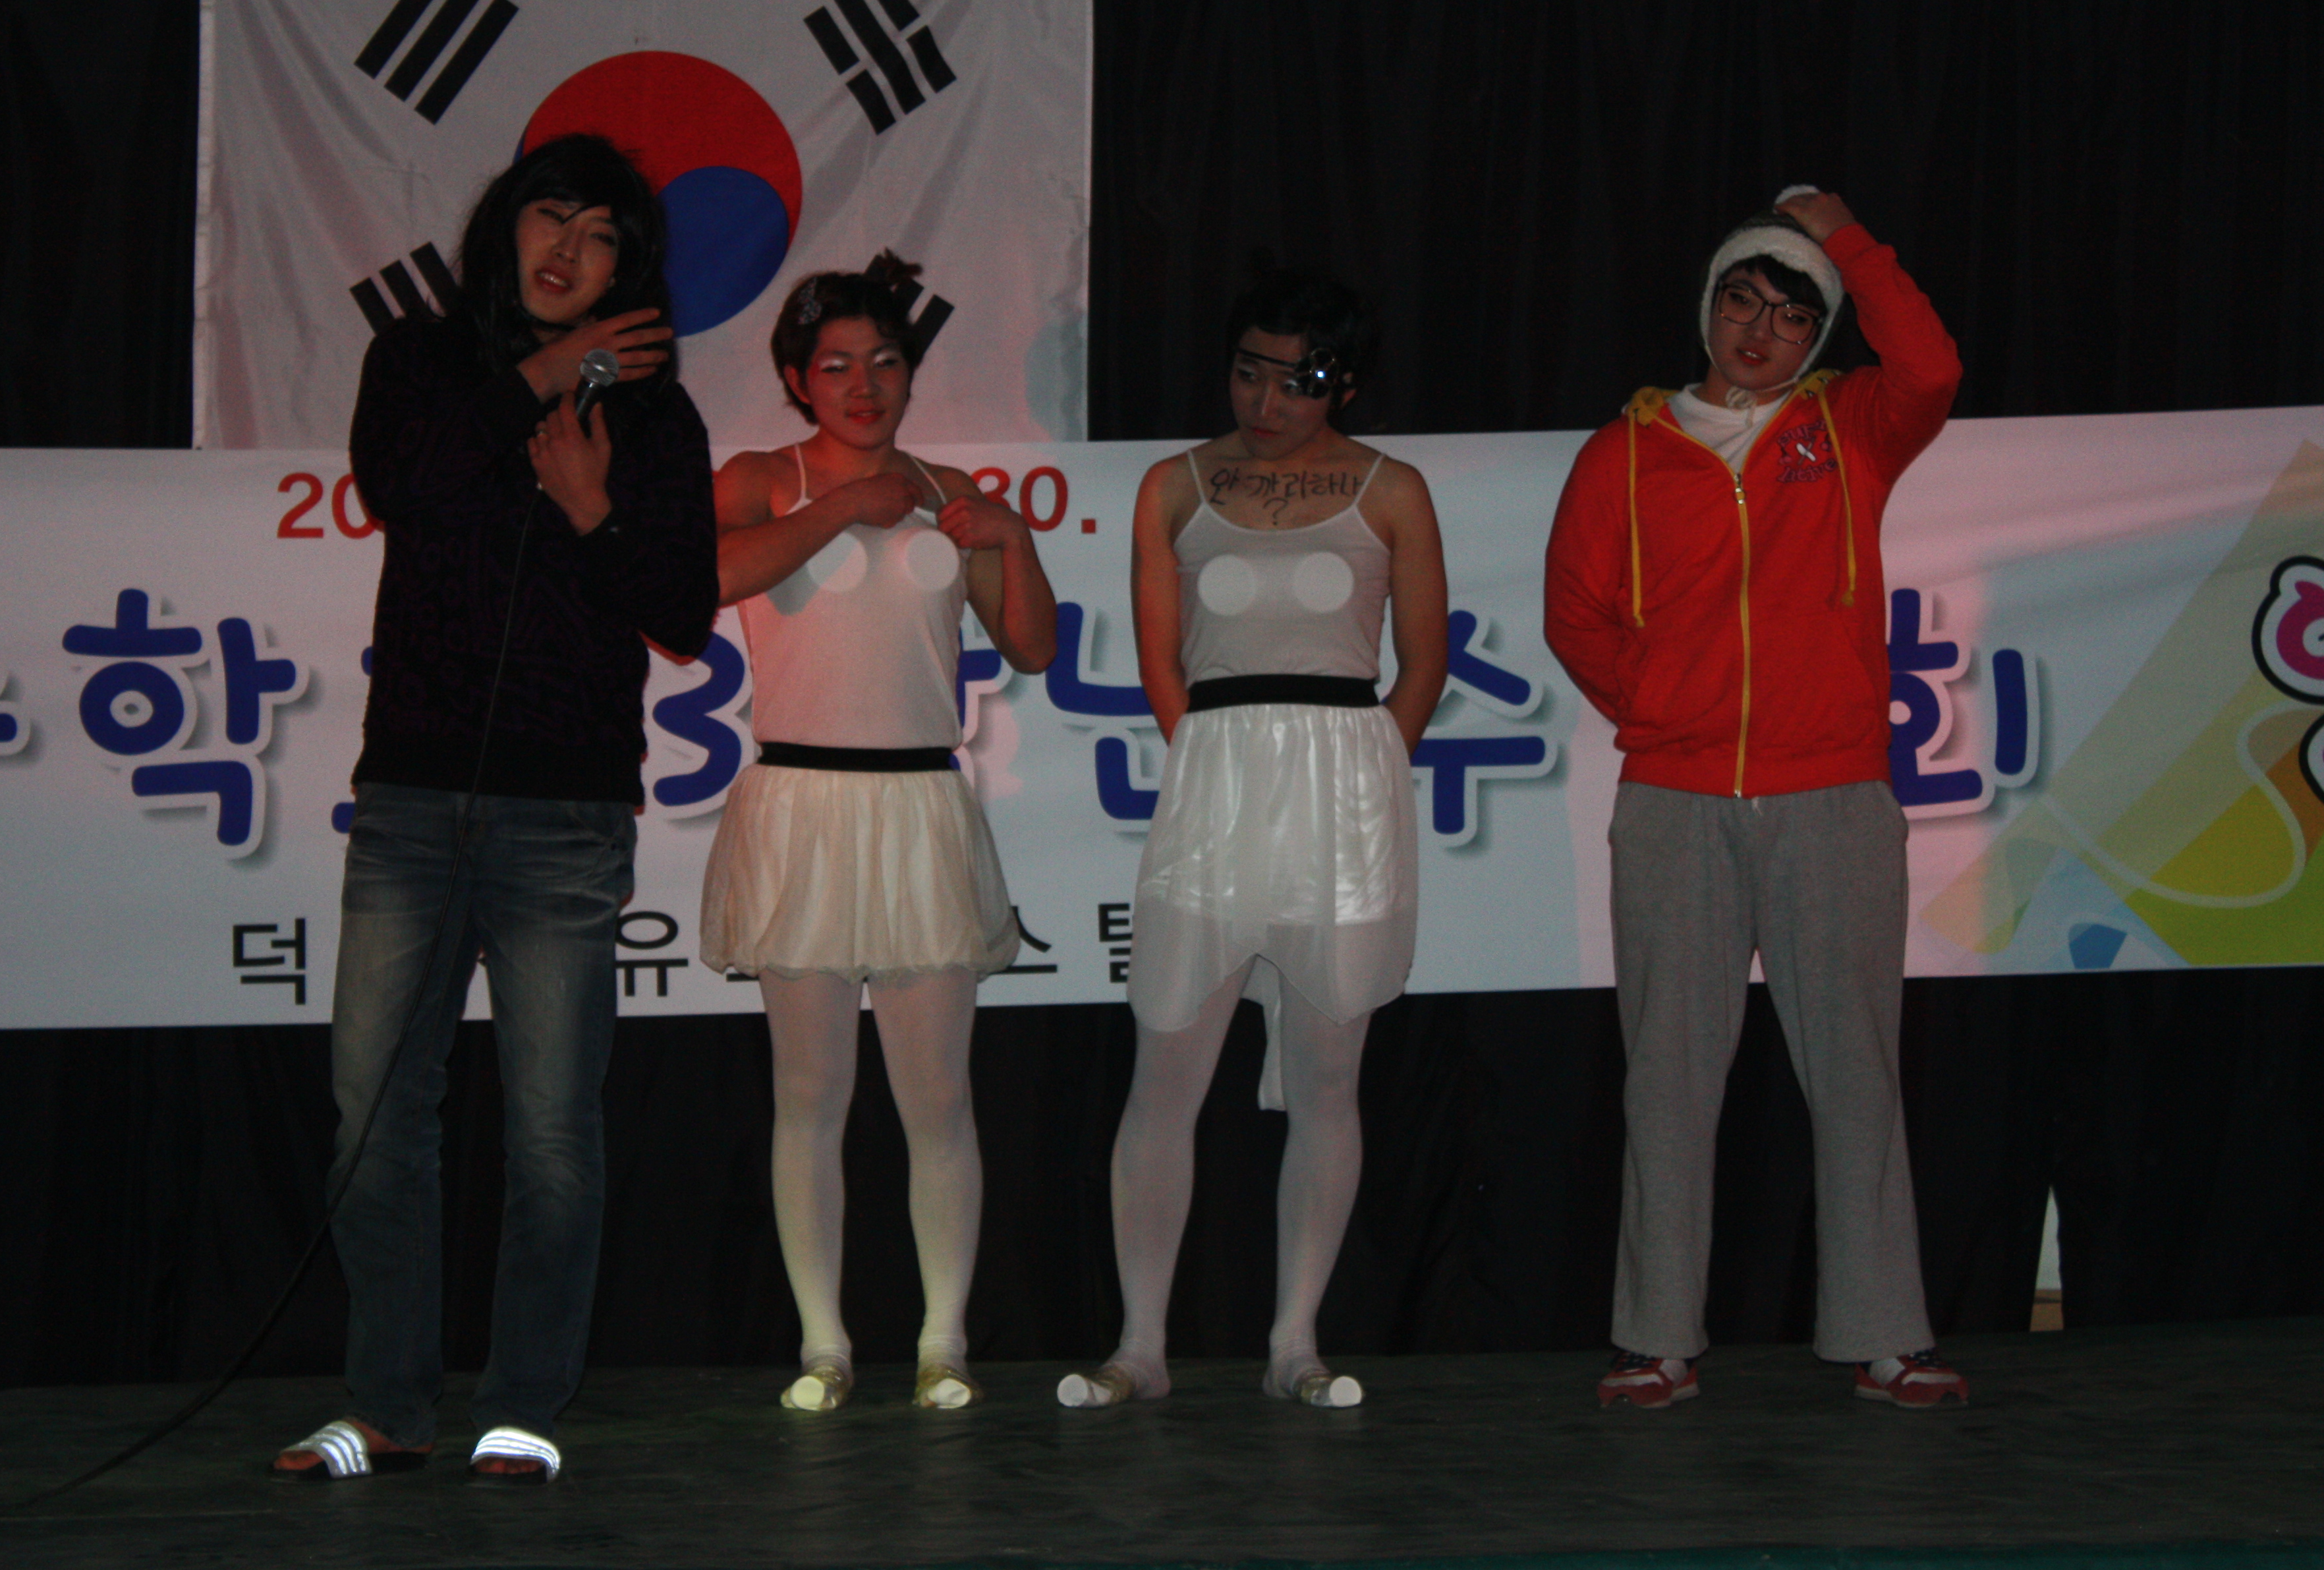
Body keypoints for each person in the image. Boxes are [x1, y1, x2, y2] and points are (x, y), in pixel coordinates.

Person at [271, 133, 718, 1483]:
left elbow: (682, 611)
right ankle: (388, 1404)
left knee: (552, 1132)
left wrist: (591, 509)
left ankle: (524, 1402)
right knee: (374, 1116)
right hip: (411, 797)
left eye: (599, 233)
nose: (567, 248)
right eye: (548, 217)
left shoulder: (659, 419)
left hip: (565, 815)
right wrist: (540, 377)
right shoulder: (419, 361)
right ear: (504, 227)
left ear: (629, 267)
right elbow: (400, 483)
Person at [1543, 187, 1968, 1411]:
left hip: (1833, 791)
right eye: (1742, 301)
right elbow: (1576, 613)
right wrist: (1663, 706)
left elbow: (1933, 365)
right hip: (1674, 801)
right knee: (1668, 1077)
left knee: (1855, 1071)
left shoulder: (1852, 428)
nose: (1760, 331)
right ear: (1708, 308)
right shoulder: (1623, 452)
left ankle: (1886, 1336)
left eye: (1791, 315)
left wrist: (1843, 236)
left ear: (1818, 337)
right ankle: (1656, 1338)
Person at [1060, 270, 1448, 1411]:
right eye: (1248, 372)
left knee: (1329, 1077)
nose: (1267, 401)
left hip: (1343, 787)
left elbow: (1423, 662)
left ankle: (1295, 1343)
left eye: (1297, 380)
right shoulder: (1174, 485)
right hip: (1217, 779)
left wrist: (1369, 769)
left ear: (1343, 384)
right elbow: (1160, 662)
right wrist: (1208, 764)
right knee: (1166, 1068)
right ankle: (1140, 1346)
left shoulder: (1393, 488)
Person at [700, 252, 1058, 1413]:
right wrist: (839, 508)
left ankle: (943, 1342)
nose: (864, 386)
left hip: (916, 805)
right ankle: (824, 1346)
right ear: (798, 381)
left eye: (886, 362)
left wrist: (1012, 537)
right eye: (838, 366)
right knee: (810, 1094)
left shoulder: (947, 489)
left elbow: (1033, 645)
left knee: (937, 1097)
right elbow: (699, 580)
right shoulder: (765, 477)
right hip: (801, 803)